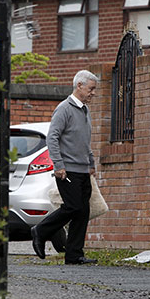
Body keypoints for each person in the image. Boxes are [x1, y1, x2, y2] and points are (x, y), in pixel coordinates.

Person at [31, 70, 98, 265]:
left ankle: (74, 255)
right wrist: (58, 165)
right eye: (91, 89)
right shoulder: (64, 109)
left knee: (83, 211)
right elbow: (52, 138)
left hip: (83, 169)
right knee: (73, 207)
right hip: (67, 170)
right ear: (79, 86)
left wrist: (91, 163)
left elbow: (84, 141)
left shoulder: (85, 110)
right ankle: (40, 231)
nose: (93, 93)